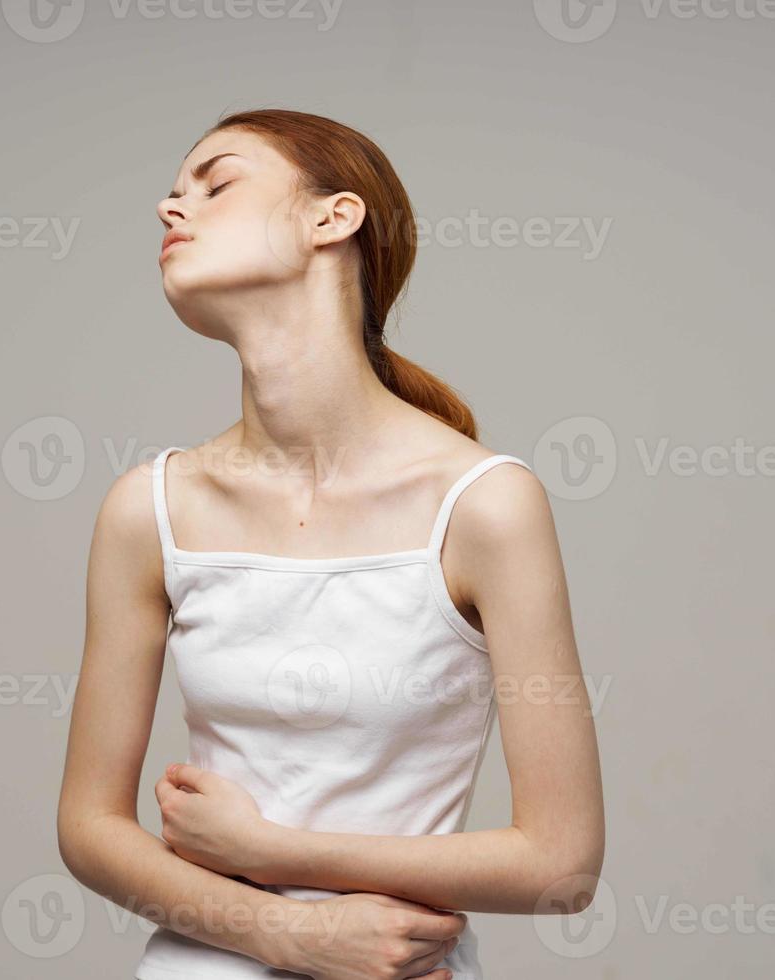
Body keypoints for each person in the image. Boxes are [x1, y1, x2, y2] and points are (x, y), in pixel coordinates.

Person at [57, 108, 605, 980]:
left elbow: (561, 864)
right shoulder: (148, 508)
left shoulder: (484, 507)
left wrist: (275, 851)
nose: (170, 209)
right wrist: (286, 934)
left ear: (332, 217)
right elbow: (88, 828)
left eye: (216, 181)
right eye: (169, 194)